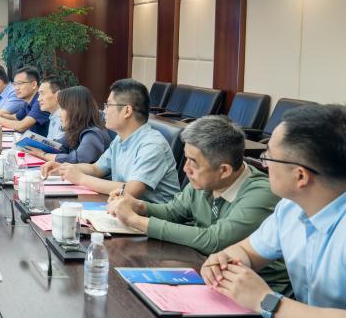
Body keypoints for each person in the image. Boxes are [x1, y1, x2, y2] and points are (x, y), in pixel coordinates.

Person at [201, 104, 346, 318]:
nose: (264, 164)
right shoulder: (292, 207)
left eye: (269, 157)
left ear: (300, 176)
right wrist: (224, 262)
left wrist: (266, 301)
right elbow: (247, 252)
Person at [107, 115, 289, 294]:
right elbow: (173, 212)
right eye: (186, 158)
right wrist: (139, 206)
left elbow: (213, 240)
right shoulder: (206, 181)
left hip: (260, 290)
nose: (185, 168)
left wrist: (135, 220)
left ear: (224, 170)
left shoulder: (262, 193)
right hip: (209, 273)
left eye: (193, 162)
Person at [45, 78, 179, 201]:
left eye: (108, 105)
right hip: (123, 209)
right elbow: (96, 168)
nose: (104, 111)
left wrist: (80, 178)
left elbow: (131, 191)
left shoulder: (152, 145)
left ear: (127, 111)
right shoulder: (120, 139)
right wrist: (64, 168)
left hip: (151, 216)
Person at [26, 85, 110, 165]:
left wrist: (43, 155)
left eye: (63, 109)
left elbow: (77, 159)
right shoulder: (77, 129)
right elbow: (58, 146)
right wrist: (31, 142)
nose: (59, 114)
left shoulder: (93, 133)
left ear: (75, 110)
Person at [0, 66, 49, 136]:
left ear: (34, 85)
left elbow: (21, 127)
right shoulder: (28, 101)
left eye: (20, 83)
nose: (16, 88)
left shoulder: (40, 101)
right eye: (15, 84)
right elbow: (15, 117)